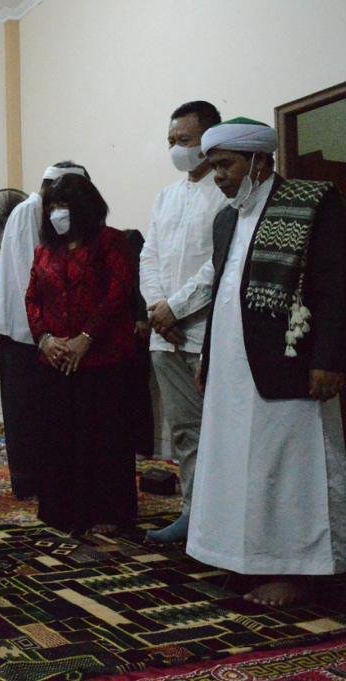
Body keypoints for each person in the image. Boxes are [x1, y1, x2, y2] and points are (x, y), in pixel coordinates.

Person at [188, 118, 346, 606]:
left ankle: (297, 571)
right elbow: (222, 293)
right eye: (214, 167)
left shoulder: (312, 203)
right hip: (232, 367)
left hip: (290, 365)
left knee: (290, 469)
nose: (219, 176)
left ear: (260, 160)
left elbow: (335, 286)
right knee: (236, 464)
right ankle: (243, 559)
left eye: (226, 165)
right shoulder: (225, 219)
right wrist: (208, 357)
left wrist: (330, 359)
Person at [25, 173, 136, 535]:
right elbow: (33, 299)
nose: (57, 213)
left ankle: (107, 513)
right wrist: (45, 339)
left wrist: (86, 338)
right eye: (53, 206)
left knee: (103, 438)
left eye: (64, 205)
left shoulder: (110, 242)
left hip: (102, 359)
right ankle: (60, 510)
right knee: (58, 438)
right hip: (55, 359)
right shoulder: (45, 251)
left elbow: (118, 293)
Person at [140, 101, 228, 544]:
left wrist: (176, 308)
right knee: (184, 433)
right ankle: (193, 516)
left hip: (206, 333)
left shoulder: (227, 192)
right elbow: (149, 256)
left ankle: (226, 522)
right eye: (171, 141)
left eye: (185, 140)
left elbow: (220, 262)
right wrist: (158, 309)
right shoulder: (166, 196)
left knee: (222, 432)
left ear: (208, 140)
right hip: (165, 336)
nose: (176, 148)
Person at [0, 162, 90, 499]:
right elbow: (27, 276)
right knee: (24, 411)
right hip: (23, 330)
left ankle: (47, 479)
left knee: (43, 412)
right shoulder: (27, 212)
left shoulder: (49, 215)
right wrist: (43, 333)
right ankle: (28, 483)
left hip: (45, 332)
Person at [123, 229, 155, 459]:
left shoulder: (129, 241)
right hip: (121, 333)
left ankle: (142, 447)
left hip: (136, 331)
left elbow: (139, 283)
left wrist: (141, 317)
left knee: (138, 390)